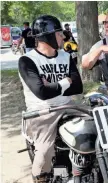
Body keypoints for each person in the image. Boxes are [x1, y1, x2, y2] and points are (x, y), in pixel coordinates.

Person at [18, 15, 83, 183]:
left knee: (92, 131)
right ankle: (40, 177)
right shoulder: (27, 60)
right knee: (46, 151)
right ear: (46, 36)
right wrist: (66, 81)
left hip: (68, 105)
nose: (63, 36)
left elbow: (78, 86)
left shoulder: (66, 56)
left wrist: (53, 85)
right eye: (58, 33)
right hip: (41, 111)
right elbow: (41, 92)